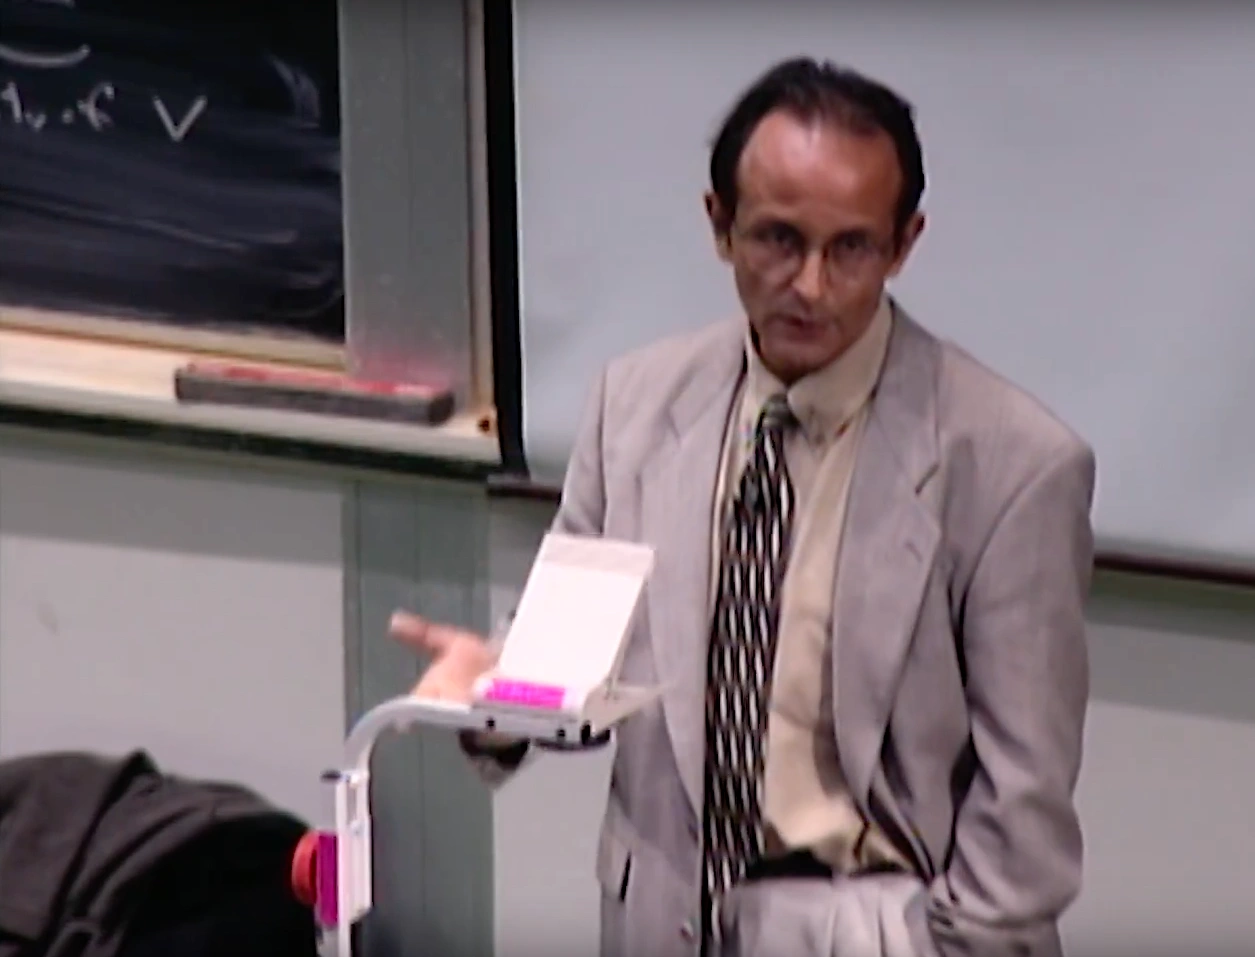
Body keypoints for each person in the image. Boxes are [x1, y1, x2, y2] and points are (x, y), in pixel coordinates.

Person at [390, 56, 1096, 957]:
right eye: (777, 239)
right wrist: (496, 690)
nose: (810, 284)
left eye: (851, 248)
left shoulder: (1012, 464)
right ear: (718, 225)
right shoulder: (636, 406)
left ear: (905, 242)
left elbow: (1023, 806)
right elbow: (565, 672)